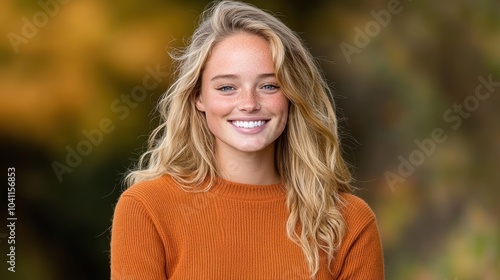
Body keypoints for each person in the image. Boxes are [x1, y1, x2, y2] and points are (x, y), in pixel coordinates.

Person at [110, 1, 384, 279]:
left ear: (292, 94)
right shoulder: (147, 209)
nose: (248, 103)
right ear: (198, 97)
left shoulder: (348, 221)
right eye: (227, 87)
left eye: (268, 86)